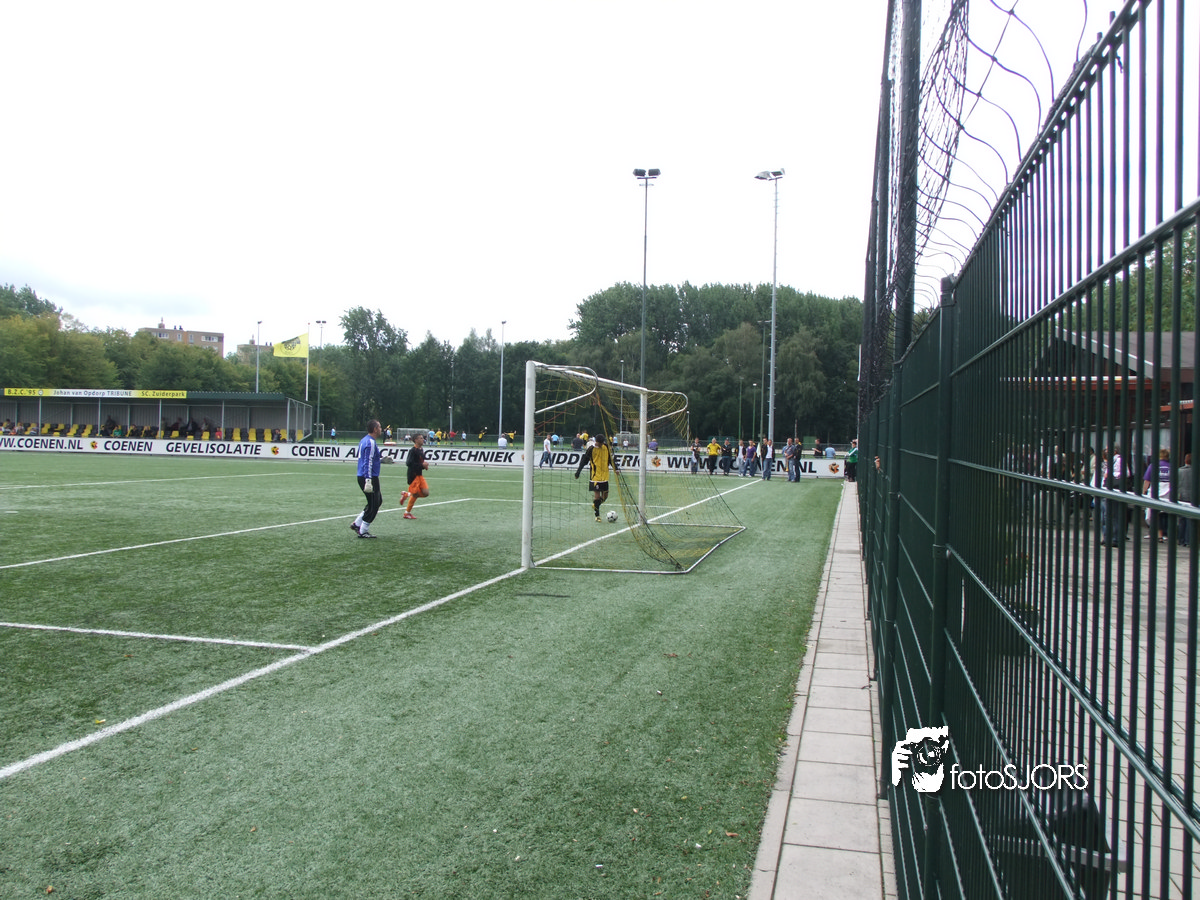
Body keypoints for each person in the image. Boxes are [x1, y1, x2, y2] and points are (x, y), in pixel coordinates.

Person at [575, 433, 619, 522]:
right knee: (597, 496)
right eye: (599, 443)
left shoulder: (606, 447)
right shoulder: (591, 449)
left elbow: (610, 459)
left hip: (605, 476)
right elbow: (584, 461)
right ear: (596, 442)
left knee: (605, 496)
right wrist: (578, 472)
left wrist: (616, 468)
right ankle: (597, 515)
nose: (601, 444)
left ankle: (596, 505)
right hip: (595, 476)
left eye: (602, 443)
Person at [351, 419, 383, 539]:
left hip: (363, 475)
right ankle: (363, 530)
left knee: (374, 502)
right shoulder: (370, 442)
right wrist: (368, 480)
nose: (381, 429)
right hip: (368, 477)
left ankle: (357, 523)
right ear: (375, 429)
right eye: (379, 427)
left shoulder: (364, 440)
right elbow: (368, 461)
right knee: (375, 503)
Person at [1142, 448, 1173, 542]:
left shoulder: (1153, 466)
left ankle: (1154, 532)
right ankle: (1164, 534)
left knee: (1152, 513)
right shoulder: (1171, 467)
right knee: (1164, 513)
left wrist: (1144, 491)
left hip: (1155, 492)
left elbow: (1147, 480)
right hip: (1168, 493)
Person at [399, 432, 430, 520]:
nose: (423, 439)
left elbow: (419, 463)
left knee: (426, 493)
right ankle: (407, 513)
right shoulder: (413, 450)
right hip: (413, 475)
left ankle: (406, 494)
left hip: (419, 475)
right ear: (416, 440)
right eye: (421, 438)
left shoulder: (421, 450)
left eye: (422, 438)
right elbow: (408, 463)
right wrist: (422, 465)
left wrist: (424, 466)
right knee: (415, 494)